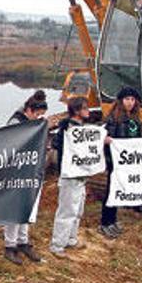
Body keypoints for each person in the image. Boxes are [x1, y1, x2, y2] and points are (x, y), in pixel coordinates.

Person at [2, 90, 48, 265]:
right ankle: (10, 246)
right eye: (37, 115)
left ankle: (23, 242)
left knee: (27, 206)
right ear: (29, 110)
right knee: (13, 208)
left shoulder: (33, 123)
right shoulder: (15, 122)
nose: (38, 118)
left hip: (28, 171)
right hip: (15, 171)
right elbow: (9, 145)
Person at [49, 96, 91, 258]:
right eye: (85, 108)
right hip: (69, 174)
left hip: (80, 174)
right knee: (67, 210)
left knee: (78, 208)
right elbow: (57, 145)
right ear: (76, 111)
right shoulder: (67, 130)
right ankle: (57, 244)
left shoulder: (82, 128)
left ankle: (70, 238)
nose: (88, 111)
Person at [99, 87, 142, 239]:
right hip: (115, 162)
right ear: (121, 101)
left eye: (132, 99)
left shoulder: (135, 118)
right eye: (127, 99)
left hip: (128, 161)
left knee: (119, 192)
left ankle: (113, 220)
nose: (130, 103)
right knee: (111, 190)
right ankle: (105, 222)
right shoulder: (113, 118)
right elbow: (104, 138)